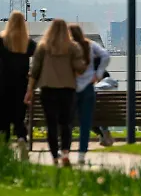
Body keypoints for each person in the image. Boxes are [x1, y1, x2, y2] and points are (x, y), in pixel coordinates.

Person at [26, 19, 87, 167]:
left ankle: (54, 155)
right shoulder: (72, 47)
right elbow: (80, 68)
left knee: (51, 123)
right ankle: (65, 152)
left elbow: (34, 71)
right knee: (66, 123)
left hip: (48, 89)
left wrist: (30, 90)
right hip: (67, 89)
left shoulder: (43, 47)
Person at [69, 23, 111, 165]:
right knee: (85, 122)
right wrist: (98, 74)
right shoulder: (90, 45)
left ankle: (65, 151)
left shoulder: (68, 47)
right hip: (88, 88)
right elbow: (105, 55)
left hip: (71, 88)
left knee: (67, 121)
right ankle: (82, 153)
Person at [0, 11, 36, 159]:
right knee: (19, 117)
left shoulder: (2, 40)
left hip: (2, 85)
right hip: (22, 85)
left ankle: (4, 147)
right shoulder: (29, 43)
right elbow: (39, 60)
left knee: (3, 118)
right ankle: (21, 138)